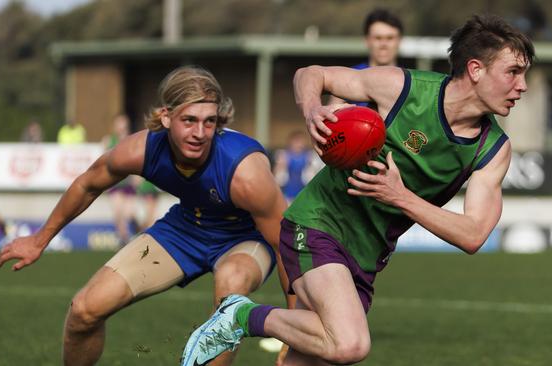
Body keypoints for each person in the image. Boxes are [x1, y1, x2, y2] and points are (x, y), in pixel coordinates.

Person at [181, 14, 534, 365]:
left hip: (366, 256)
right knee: (350, 344)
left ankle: (239, 319)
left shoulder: (493, 150)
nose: (523, 86)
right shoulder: (402, 88)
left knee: (312, 355)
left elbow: (473, 235)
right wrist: (312, 111)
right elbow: (311, 74)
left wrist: (400, 197)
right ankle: (239, 316)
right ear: (475, 69)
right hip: (319, 223)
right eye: (513, 72)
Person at [0, 66, 291, 366]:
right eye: (189, 120)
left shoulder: (246, 173)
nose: (200, 133)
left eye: (209, 122)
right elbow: (87, 184)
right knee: (85, 310)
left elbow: (286, 243)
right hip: (187, 228)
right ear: (166, 117)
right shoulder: (140, 150)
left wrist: (295, 334)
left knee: (231, 281)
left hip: (245, 237)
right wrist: (39, 239)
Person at [329, 8, 403, 107]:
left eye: (390, 38)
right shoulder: (348, 77)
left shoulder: (409, 80)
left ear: (399, 40)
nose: (383, 44)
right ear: (367, 40)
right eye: (378, 38)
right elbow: (331, 116)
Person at [102, 114, 137, 245]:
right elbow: (104, 161)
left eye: (123, 124)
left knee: (130, 214)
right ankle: (125, 240)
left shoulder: (132, 139)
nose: (121, 127)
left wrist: (137, 177)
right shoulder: (108, 140)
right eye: (119, 124)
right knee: (117, 213)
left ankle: (139, 231)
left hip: (128, 182)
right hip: (114, 183)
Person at [273, 130, 313, 203]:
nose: (299, 144)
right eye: (297, 141)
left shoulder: (309, 156)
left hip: (303, 195)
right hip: (287, 195)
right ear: (291, 142)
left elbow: (312, 176)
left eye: (301, 141)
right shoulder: (284, 155)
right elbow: (277, 178)